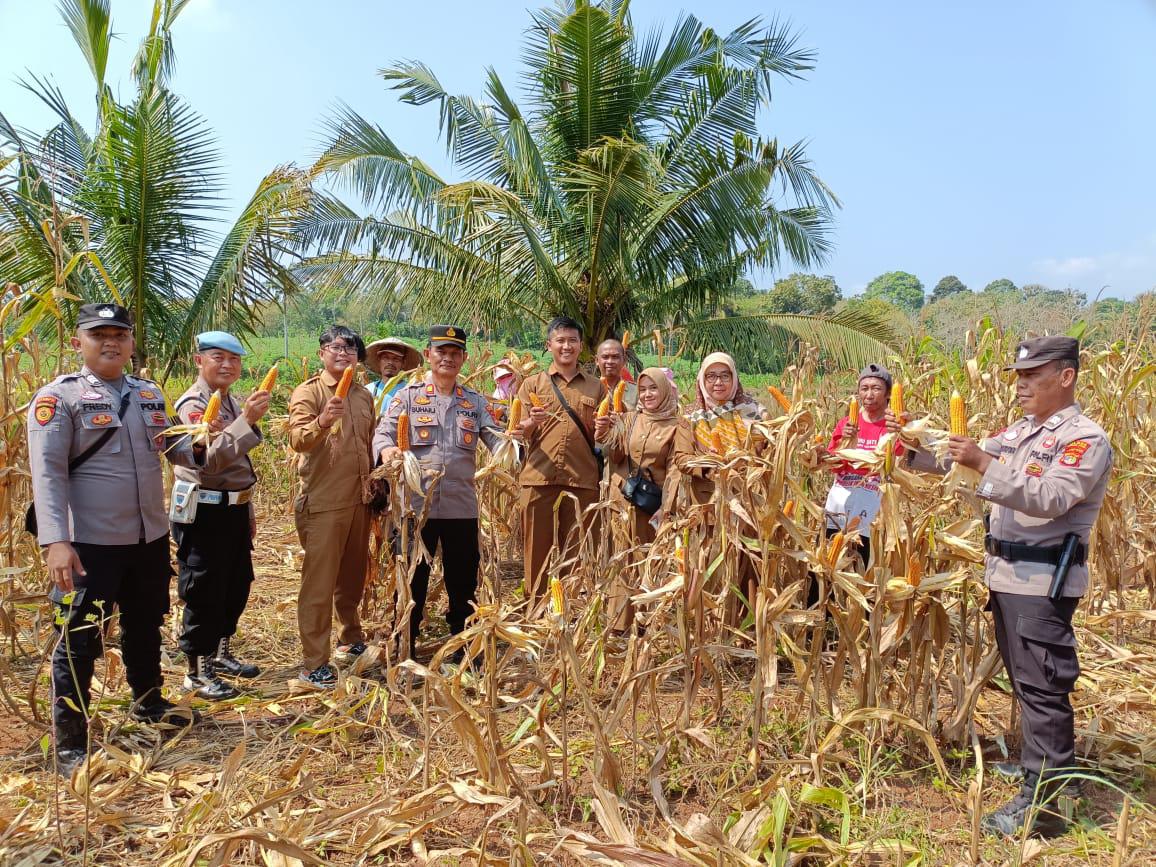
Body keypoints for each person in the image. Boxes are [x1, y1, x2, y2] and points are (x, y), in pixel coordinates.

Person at [889, 336, 1111, 838]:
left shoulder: (1084, 439)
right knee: (1029, 682)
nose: (1021, 386)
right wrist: (910, 447)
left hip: (1041, 582)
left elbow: (1052, 497)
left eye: (1032, 376)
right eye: (1018, 376)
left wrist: (985, 463)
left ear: (1066, 377)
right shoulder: (1020, 431)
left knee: (1043, 689)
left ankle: (1046, 808)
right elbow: (957, 460)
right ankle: (1051, 772)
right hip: (1008, 578)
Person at [28, 303, 205, 776]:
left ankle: (148, 701)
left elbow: (178, 448)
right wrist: (55, 541)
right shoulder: (58, 398)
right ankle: (71, 742)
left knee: (145, 623)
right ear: (78, 342)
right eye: (99, 334)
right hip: (89, 542)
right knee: (78, 639)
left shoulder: (149, 394)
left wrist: (228, 431)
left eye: (120, 335)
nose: (111, 342)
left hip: (147, 536)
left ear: (130, 343)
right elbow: (47, 474)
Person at [374, 325, 503, 658]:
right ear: (428, 354)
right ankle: (404, 644)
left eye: (455, 353)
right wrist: (387, 451)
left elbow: (497, 440)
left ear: (464, 358)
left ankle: (463, 646)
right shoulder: (407, 397)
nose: (448, 358)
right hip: (416, 508)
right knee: (411, 580)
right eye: (441, 352)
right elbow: (383, 433)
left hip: (461, 507)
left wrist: (518, 438)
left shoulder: (473, 402)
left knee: (463, 582)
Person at [171, 331, 272, 700]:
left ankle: (220, 653)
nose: (228, 365)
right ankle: (197, 672)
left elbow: (238, 467)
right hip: (205, 510)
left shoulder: (227, 400)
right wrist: (247, 420)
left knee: (236, 584)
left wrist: (247, 509)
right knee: (204, 590)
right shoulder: (194, 406)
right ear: (199, 361)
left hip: (233, 508)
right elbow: (208, 463)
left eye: (234, 359)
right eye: (218, 357)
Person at [288, 325, 375, 689]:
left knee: (352, 578)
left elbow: (369, 443)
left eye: (350, 348)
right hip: (324, 503)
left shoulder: (363, 395)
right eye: (335, 347)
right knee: (319, 585)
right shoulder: (309, 392)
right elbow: (297, 440)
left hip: (359, 501)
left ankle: (350, 638)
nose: (343, 353)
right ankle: (314, 662)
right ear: (321, 352)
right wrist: (323, 421)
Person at [596, 367, 698, 630]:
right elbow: (615, 455)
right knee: (622, 559)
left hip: (651, 506)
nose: (648, 394)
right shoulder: (630, 418)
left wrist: (666, 507)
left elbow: (675, 470)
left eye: (653, 388)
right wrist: (606, 432)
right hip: (622, 501)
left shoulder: (678, 425)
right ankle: (619, 624)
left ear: (665, 390)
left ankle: (646, 623)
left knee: (648, 561)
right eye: (642, 390)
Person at [513, 316, 606, 599]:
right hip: (538, 479)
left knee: (577, 553)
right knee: (536, 552)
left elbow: (604, 437)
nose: (567, 346)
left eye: (572, 341)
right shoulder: (532, 385)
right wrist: (532, 421)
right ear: (549, 345)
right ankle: (536, 609)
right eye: (560, 340)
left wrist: (605, 427)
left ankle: (572, 612)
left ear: (581, 346)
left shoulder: (597, 387)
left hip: (582, 480)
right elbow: (516, 432)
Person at [820, 363, 904, 570]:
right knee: (825, 566)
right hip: (840, 505)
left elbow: (900, 466)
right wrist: (844, 442)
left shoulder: (895, 426)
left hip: (874, 510)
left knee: (863, 567)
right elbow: (834, 466)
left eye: (876, 388)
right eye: (864, 388)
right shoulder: (846, 424)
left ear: (888, 394)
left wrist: (901, 433)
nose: (869, 394)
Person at [687, 352, 770, 458]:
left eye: (725, 376)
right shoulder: (690, 418)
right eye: (711, 376)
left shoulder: (757, 411)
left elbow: (773, 451)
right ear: (702, 380)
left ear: (734, 379)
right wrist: (707, 461)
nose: (718, 382)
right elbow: (683, 458)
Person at [365, 337, 422, 411]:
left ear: (403, 363)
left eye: (396, 359)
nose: (390, 362)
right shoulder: (368, 390)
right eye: (385, 358)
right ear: (379, 361)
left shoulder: (410, 391)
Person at [594, 339, 638, 411]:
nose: (610, 361)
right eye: (605, 357)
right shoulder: (589, 390)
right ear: (597, 360)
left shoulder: (637, 391)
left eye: (615, 357)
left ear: (624, 360)